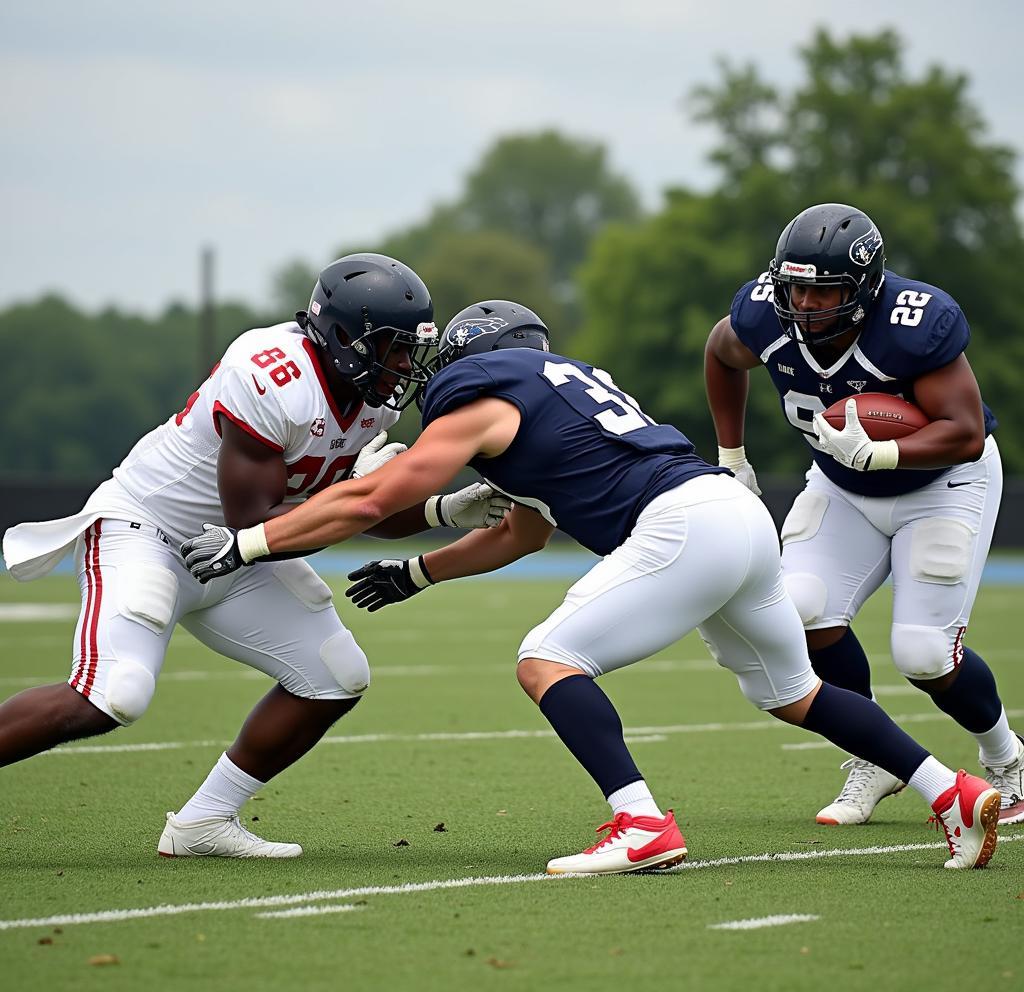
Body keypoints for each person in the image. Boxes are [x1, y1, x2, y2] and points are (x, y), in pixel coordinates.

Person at [181, 299, 1001, 872]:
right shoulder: (566, 392)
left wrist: (251, 541)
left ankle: (641, 823)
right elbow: (522, 531)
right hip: (734, 517)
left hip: (682, 525)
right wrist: (417, 571)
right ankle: (952, 793)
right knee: (791, 692)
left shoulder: (485, 394)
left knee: (547, 659)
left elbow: (370, 497)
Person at [0, 254, 510, 859]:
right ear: (343, 337)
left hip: (237, 557)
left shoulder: (373, 398)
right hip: (151, 533)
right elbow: (258, 522)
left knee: (335, 676)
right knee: (114, 694)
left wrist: (443, 513)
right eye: (391, 348)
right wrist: (354, 497)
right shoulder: (271, 376)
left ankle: (203, 823)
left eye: (409, 350)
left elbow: (327, 516)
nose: (402, 366)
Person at [705, 203, 1023, 827]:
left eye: (822, 293)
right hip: (844, 482)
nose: (803, 303)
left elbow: (961, 431)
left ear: (865, 287)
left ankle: (1008, 760)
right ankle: (875, 757)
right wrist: (732, 453)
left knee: (925, 653)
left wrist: (888, 451)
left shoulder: (914, 324)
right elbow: (721, 352)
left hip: (942, 482)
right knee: (797, 608)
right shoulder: (764, 312)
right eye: (794, 286)